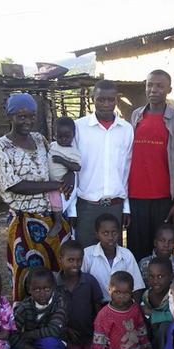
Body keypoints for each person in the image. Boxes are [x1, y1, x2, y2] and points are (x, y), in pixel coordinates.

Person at [0, 92, 71, 302]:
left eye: (31, 116)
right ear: (10, 117)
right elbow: (14, 185)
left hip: (51, 218)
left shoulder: (39, 139)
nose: (27, 121)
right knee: (28, 274)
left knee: (57, 270)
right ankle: (27, 321)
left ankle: (57, 315)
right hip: (24, 221)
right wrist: (54, 185)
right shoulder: (1, 147)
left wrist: (69, 172)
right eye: (21, 116)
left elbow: (55, 162)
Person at [128, 70, 174, 261]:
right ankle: (139, 291)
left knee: (162, 252)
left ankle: (161, 291)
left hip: (163, 198)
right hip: (135, 196)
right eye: (150, 85)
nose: (153, 90)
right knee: (137, 251)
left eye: (159, 86)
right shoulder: (136, 116)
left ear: (169, 89)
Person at [73, 80, 134, 248]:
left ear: (116, 100)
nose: (106, 104)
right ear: (93, 98)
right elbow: (73, 171)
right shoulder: (79, 127)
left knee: (112, 256)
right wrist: (71, 209)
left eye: (111, 99)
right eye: (101, 99)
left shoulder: (126, 129)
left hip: (115, 206)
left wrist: (125, 207)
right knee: (85, 255)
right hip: (87, 206)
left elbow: (126, 171)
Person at [92, 271, 157, 349]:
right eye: (117, 292)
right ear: (109, 290)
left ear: (132, 292)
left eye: (126, 293)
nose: (121, 296)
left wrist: (146, 348)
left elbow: (141, 329)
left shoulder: (134, 308)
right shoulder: (104, 315)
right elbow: (99, 341)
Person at [55, 240, 104, 349]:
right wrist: (65, 330)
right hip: (68, 338)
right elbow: (50, 314)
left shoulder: (89, 281)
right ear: (61, 260)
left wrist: (97, 332)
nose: (75, 264)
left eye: (79, 260)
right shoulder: (54, 284)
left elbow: (98, 306)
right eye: (70, 260)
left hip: (89, 336)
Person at [9, 267, 67, 349]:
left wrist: (28, 335)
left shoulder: (58, 301)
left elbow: (54, 330)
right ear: (29, 290)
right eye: (36, 289)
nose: (42, 293)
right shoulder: (23, 308)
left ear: (53, 288)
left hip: (53, 341)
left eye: (46, 289)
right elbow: (12, 335)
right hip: (32, 345)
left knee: (49, 344)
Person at [81, 214, 145, 302]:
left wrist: (133, 309)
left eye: (114, 232)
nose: (110, 237)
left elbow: (137, 287)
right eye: (105, 233)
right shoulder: (87, 254)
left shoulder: (126, 254)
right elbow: (81, 284)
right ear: (97, 235)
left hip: (122, 305)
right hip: (96, 305)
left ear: (119, 233)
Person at [47, 117, 81, 238]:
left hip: (61, 184)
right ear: (55, 135)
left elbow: (77, 167)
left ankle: (58, 222)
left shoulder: (73, 152)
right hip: (48, 182)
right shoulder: (52, 145)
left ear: (73, 135)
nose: (63, 139)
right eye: (59, 136)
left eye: (67, 136)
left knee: (55, 199)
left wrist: (62, 161)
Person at [140, 257, 174, 349]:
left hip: (171, 337)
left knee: (165, 326)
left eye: (160, 276)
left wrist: (153, 315)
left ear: (170, 277)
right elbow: (145, 313)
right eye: (151, 276)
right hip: (154, 333)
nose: (155, 280)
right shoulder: (147, 295)